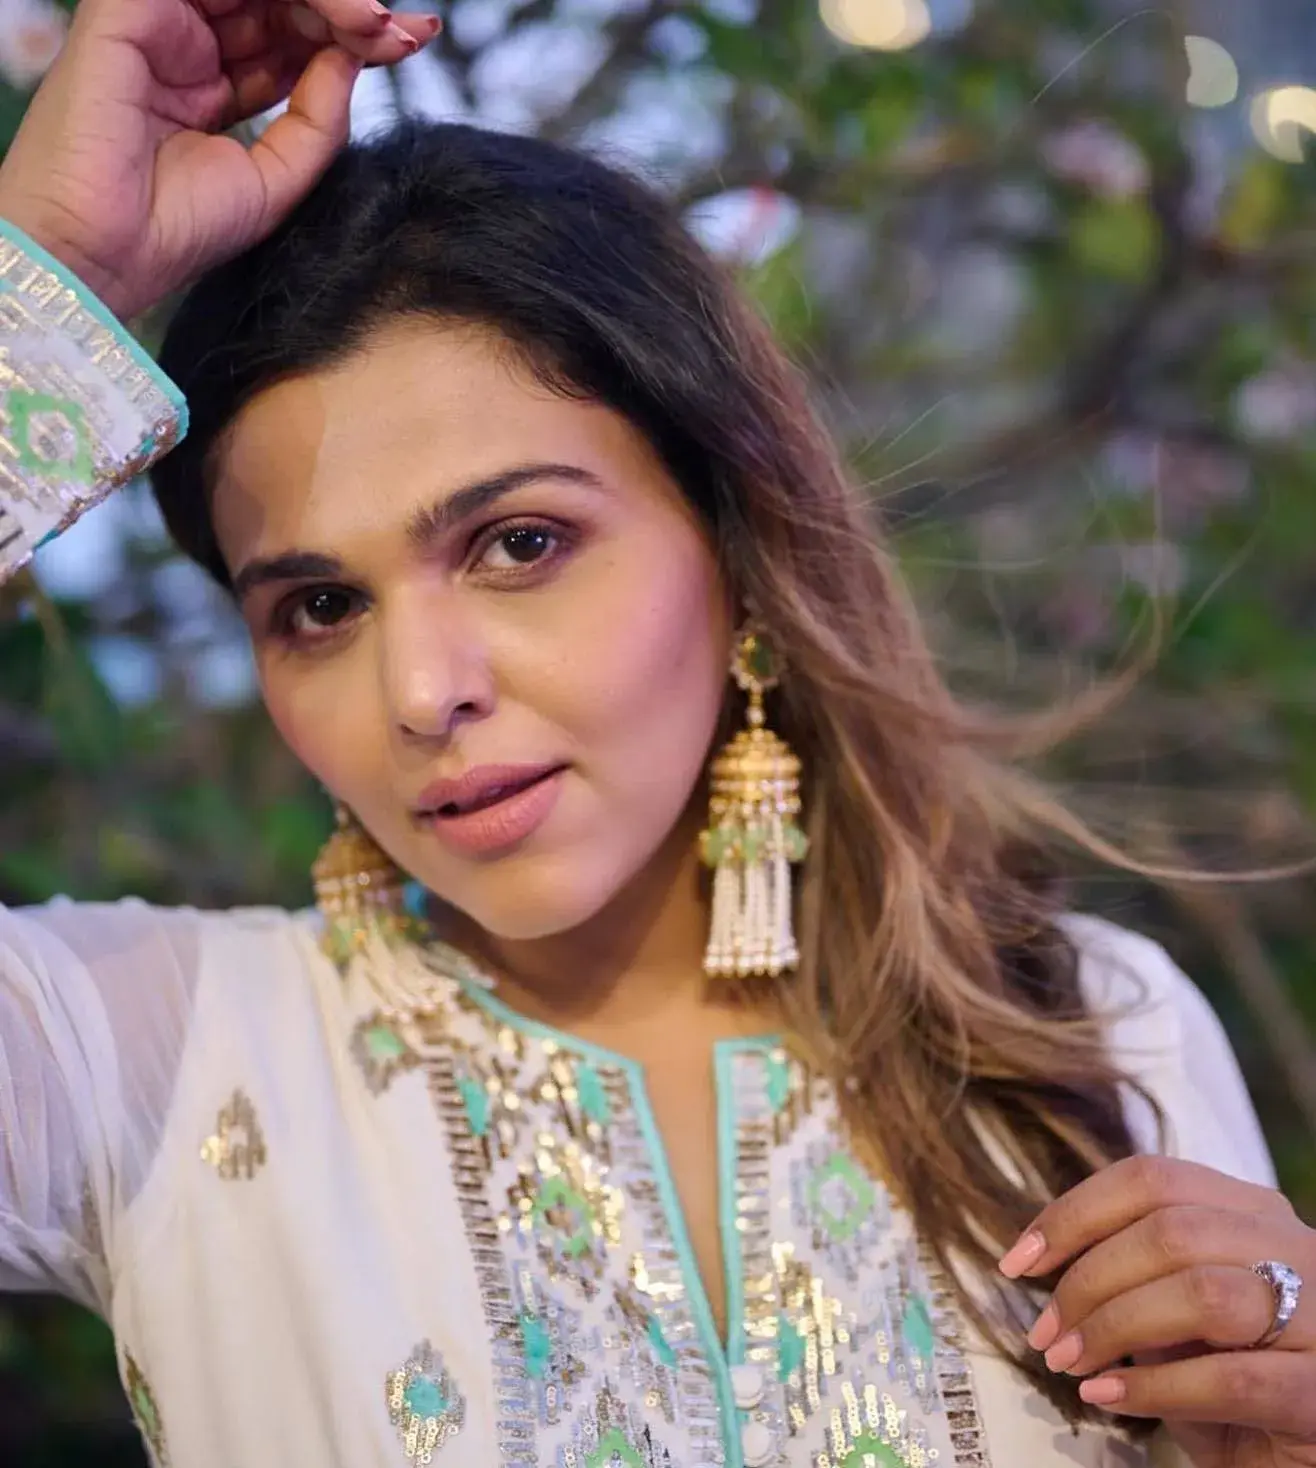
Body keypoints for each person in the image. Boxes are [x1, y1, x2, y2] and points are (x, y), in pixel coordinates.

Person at [0, 0, 1310, 1464]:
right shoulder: (146, 1061)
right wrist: (50, 275)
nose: (422, 691)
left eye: (519, 544)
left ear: (736, 550)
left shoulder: (1096, 1032)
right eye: (319, 607)